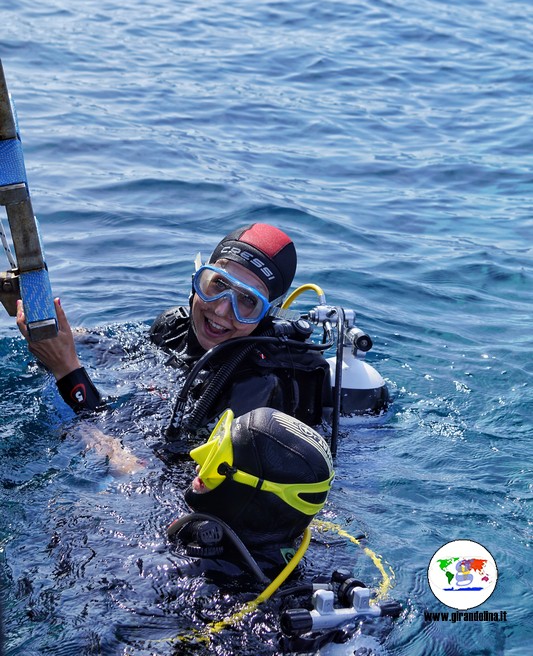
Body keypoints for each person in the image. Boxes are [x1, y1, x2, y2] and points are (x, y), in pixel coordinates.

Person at [16, 223, 332, 440]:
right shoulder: (174, 327)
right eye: (218, 284)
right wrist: (58, 330)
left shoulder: (257, 386)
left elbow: (136, 470)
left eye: (247, 301)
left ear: (267, 315)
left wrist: (67, 370)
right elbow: (124, 354)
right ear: (197, 278)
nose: (221, 310)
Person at [168, 405, 334, 578]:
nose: (197, 467)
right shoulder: (315, 548)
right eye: (215, 448)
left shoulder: (195, 573)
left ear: (257, 498)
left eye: (218, 460)